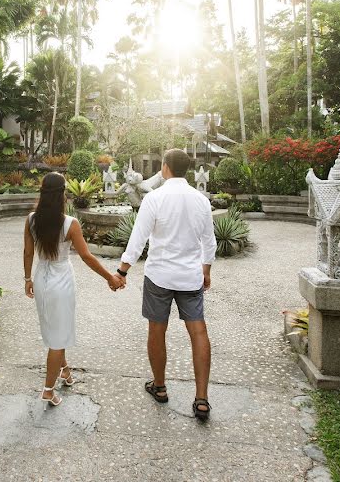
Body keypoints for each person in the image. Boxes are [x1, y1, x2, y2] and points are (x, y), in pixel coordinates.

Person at [114, 148, 216, 421]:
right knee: (198, 332)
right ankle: (202, 399)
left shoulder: (154, 198)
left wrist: (122, 271)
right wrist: (206, 269)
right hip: (190, 276)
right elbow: (209, 241)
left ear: (166, 168)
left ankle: (159, 387)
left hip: (159, 275)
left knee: (157, 330)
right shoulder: (201, 200)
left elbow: (138, 239)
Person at [23, 172, 125, 407]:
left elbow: (28, 253)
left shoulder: (31, 220)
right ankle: (48, 390)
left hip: (41, 278)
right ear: (62, 194)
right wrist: (110, 277)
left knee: (55, 329)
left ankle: (65, 371)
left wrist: (27, 278)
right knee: (58, 337)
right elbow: (86, 256)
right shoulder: (70, 223)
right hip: (61, 280)